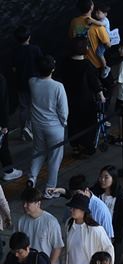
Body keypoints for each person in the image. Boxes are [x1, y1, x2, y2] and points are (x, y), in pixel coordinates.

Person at [27, 56, 68, 199]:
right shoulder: (58, 86)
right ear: (53, 69)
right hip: (55, 127)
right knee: (55, 158)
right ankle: (50, 189)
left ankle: (32, 178)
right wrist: (63, 123)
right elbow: (63, 111)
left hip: (37, 125)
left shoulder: (32, 82)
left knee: (38, 151)